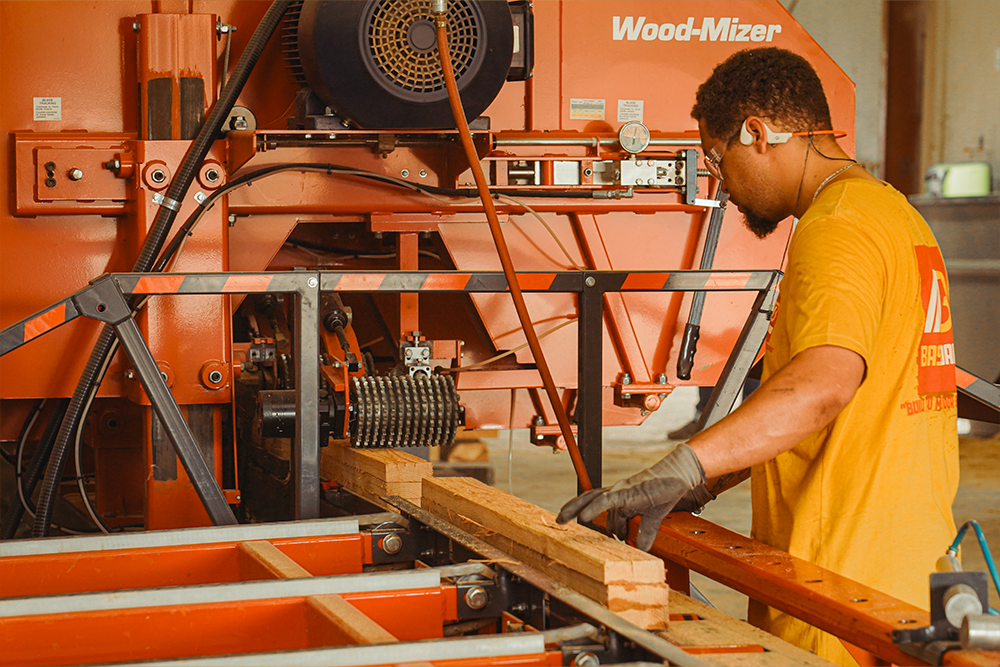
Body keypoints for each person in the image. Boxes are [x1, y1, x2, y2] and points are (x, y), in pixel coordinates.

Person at [558, 47, 959, 665]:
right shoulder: (894, 215)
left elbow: (822, 389)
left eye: (718, 161)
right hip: (908, 575)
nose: (721, 187)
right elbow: (801, 400)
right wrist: (707, 481)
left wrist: (682, 466)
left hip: (838, 590)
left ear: (757, 132)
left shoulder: (837, 227)